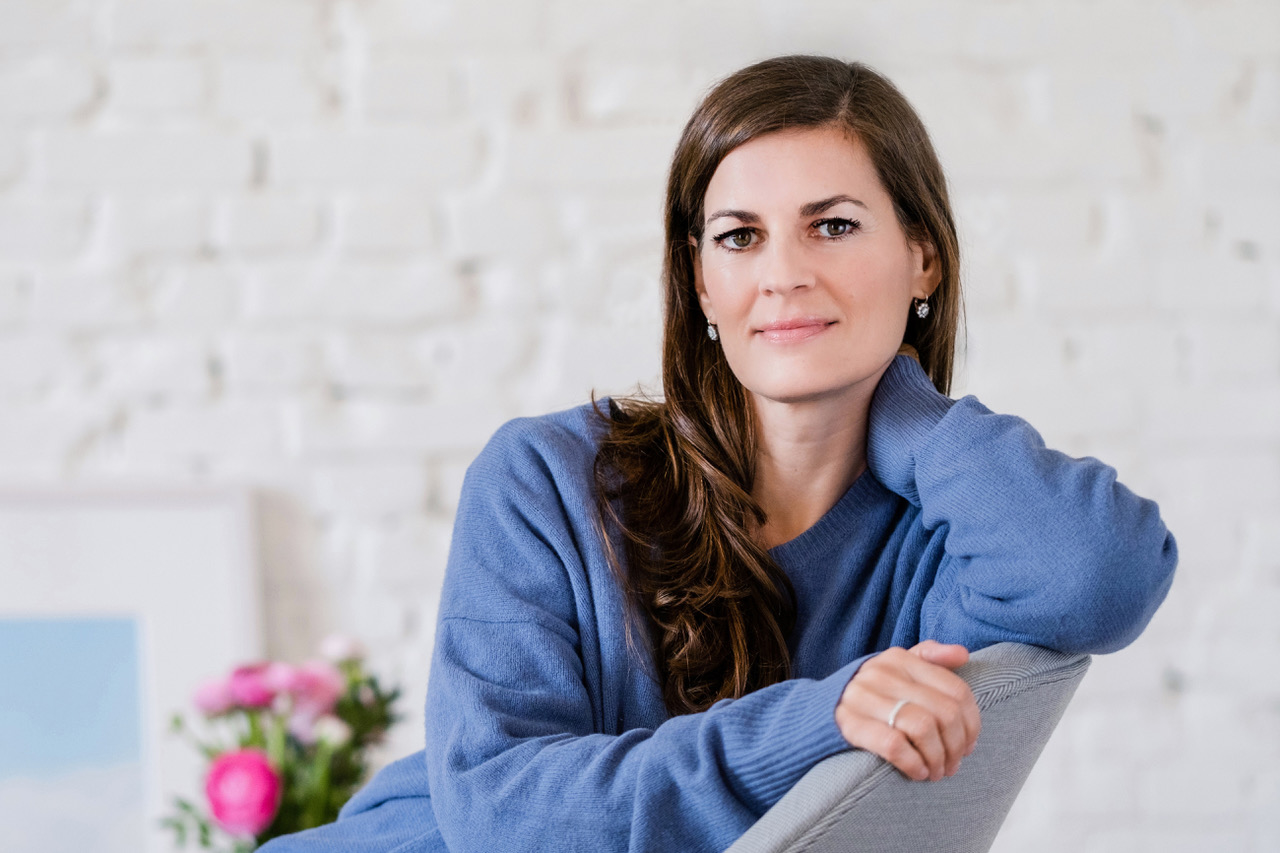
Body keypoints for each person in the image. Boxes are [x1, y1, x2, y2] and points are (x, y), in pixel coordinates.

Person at [262, 55, 1176, 853]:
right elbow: (506, 818)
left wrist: (911, 411)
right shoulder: (545, 480)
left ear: (923, 257)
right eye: (740, 236)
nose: (783, 272)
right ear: (702, 280)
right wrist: (822, 719)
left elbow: (1098, 571)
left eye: (834, 225)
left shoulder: (940, 551)